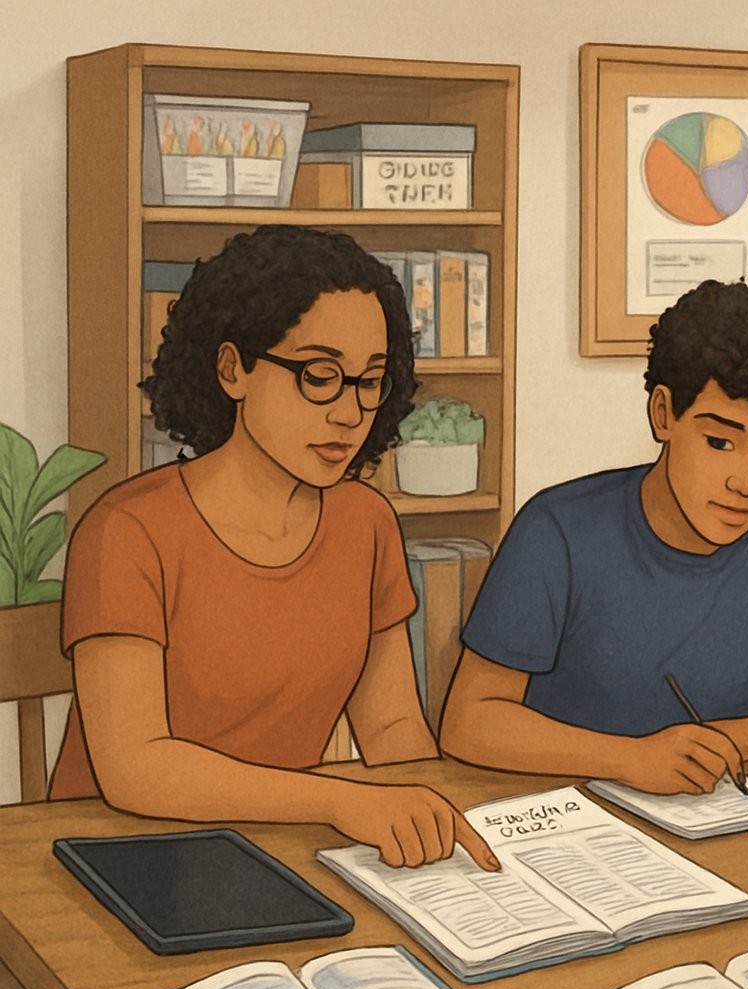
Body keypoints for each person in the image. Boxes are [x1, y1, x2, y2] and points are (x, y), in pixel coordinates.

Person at [51, 225, 499, 873]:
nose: (350, 411)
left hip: (283, 847)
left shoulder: (364, 522)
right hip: (121, 854)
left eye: (369, 380)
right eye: (319, 376)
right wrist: (341, 801)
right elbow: (135, 768)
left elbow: (395, 730)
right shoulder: (129, 529)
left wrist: (428, 812)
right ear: (234, 368)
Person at [438, 278, 748, 794]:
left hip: (711, 805)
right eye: (719, 442)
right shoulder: (559, 529)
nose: (747, 483)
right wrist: (630, 758)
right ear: (663, 414)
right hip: (565, 809)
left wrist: (728, 740)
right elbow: (469, 721)